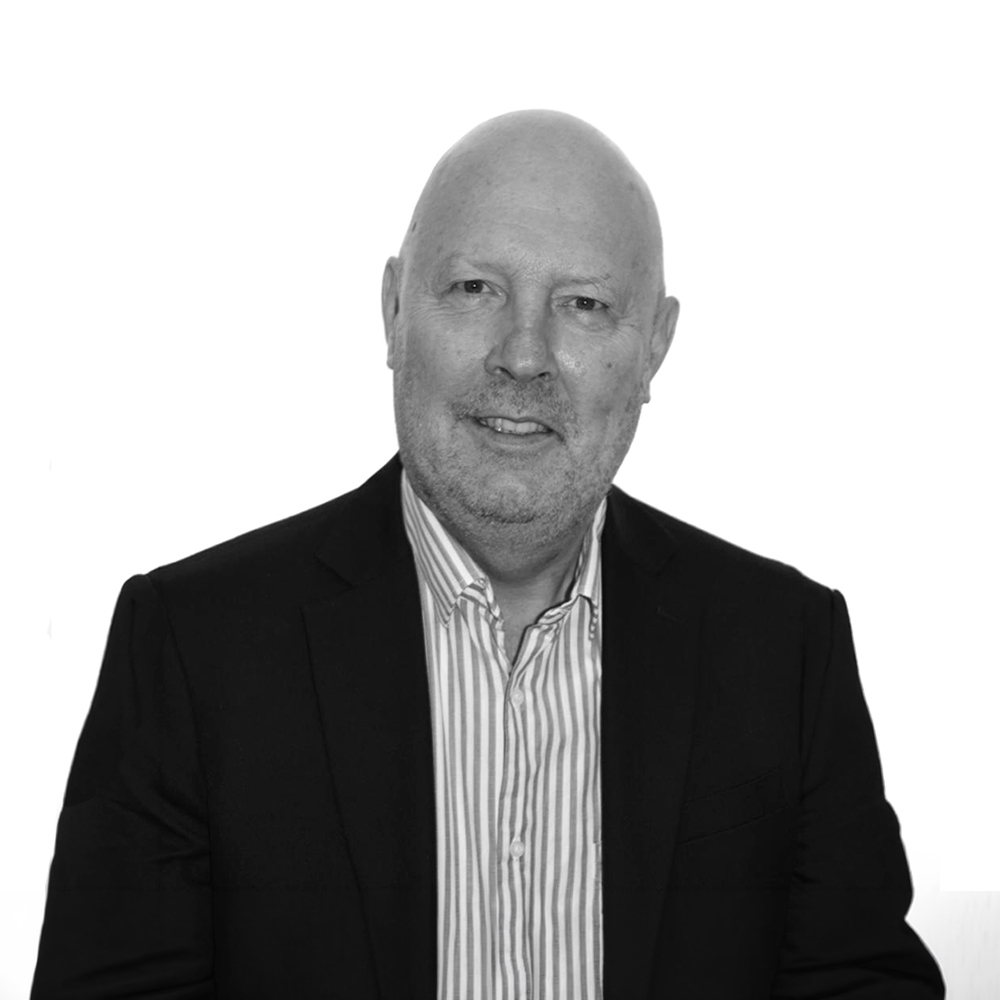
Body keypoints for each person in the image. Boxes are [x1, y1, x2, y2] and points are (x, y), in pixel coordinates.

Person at [30, 110, 944, 999]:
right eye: (476, 289)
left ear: (655, 348)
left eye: (584, 305)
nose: (523, 356)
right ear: (393, 311)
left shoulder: (785, 651)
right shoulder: (193, 649)